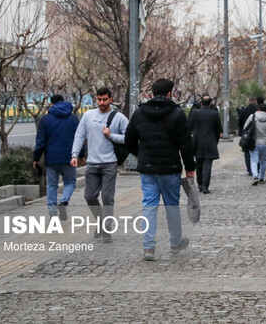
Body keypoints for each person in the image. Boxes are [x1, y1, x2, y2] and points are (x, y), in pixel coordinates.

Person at [124, 79, 196, 261]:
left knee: (149, 205)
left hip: (148, 168)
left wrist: (140, 155)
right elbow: (185, 144)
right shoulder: (177, 114)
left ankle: (149, 247)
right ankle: (175, 241)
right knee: (172, 205)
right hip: (170, 168)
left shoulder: (139, 113)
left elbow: (128, 139)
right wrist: (190, 167)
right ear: (170, 93)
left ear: (152, 93)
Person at [71, 87, 128, 242]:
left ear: (110, 99)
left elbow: (129, 138)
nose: (102, 103)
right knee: (89, 196)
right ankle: (101, 222)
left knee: (108, 198)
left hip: (110, 163)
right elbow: (79, 135)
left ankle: (107, 230)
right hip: (92, 164)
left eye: (105, 99)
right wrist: (75, 155)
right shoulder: (88, 116)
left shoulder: (119, 117)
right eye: (99, 99)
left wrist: (111, 135)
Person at [33, 95, 81, 220]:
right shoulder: (73, 118)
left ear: (51, 104)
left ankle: (53, 213)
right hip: (70, 158)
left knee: (52, 186)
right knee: (70, 182)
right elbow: (80, 138)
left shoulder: (45, 119)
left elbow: (40, 141)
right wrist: (81, 155)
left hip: (51, 158)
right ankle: (63, 201)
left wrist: (36, 158)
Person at [188, 93, 222, 194]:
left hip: (198, 141)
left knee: (198, 164)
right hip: (210, 141)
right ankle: (205, 186)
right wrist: (215, 141)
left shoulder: (195, 113)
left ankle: (199, 183)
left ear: (201, 103)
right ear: (210, 103)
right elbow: (218, 129)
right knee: (208, 165)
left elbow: (189, 126)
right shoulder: (215, 114)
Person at [244, 103, 266, 186]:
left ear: (258, 109)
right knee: (263, 161)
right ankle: (261, 177)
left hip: (254, 141)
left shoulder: (253, 116)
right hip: (265, 142)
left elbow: (245, 127)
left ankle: (255, 176)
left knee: (254, 160)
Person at [238, 97, 258, 175]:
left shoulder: (243, 111)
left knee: (246, 152)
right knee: (256, 151)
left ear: (248, 101)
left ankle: (249, 169)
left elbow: (239, 123)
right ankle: (256, 168)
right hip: (256, 133)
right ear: (255, 101)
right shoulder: (257, 111)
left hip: (246, 133)